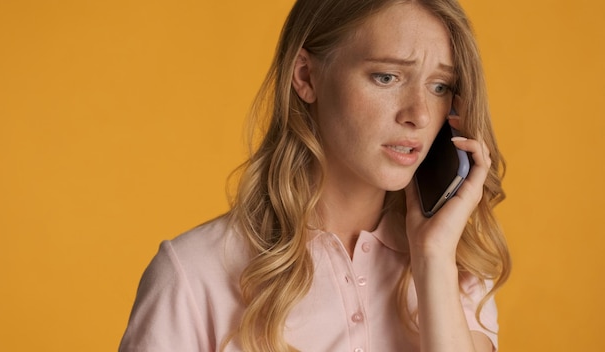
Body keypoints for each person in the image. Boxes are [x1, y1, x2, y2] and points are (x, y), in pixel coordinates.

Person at [118, 0, 511, 351]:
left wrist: (432, 259)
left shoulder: (456, 271)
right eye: (386, 77)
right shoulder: (193, 274)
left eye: (440, 86)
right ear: (306, 76)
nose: (420, 115)